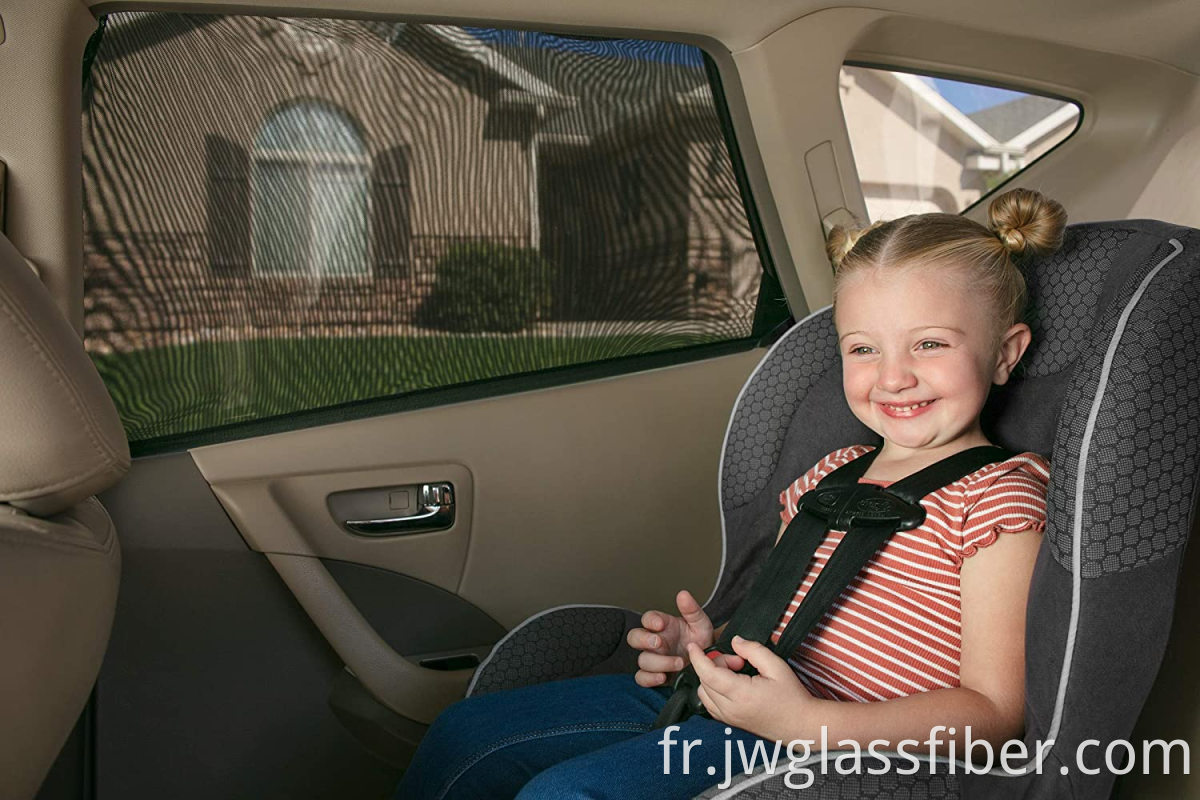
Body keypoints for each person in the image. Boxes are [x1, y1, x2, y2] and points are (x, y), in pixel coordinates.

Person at [393, 188, 1065, 800]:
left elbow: (993, 712)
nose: (892, 377)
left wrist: (807, 723)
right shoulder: (827, 473)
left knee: (565, 796)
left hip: (840, 747)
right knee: (466, 733)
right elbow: (790, 610)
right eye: (863, 349)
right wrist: (713, 639)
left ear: (1006, 354)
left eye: (928, 344)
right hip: (735, 698)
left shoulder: (999, 501)